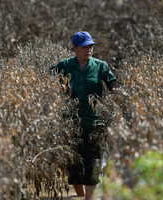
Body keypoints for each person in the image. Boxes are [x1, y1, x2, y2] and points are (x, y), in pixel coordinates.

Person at [51, 31, 116, 200]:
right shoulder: (64, 66)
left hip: (94, 123)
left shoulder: (101, 66)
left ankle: (88, 198)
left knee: (93, 162)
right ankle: (79, 196)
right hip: (70, 124)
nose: (89, 50)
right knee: (73, 164)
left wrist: (115, 94)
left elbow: (114, 85)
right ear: (74, 47)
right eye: (85, 47)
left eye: (91, 46)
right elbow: (44, 84)